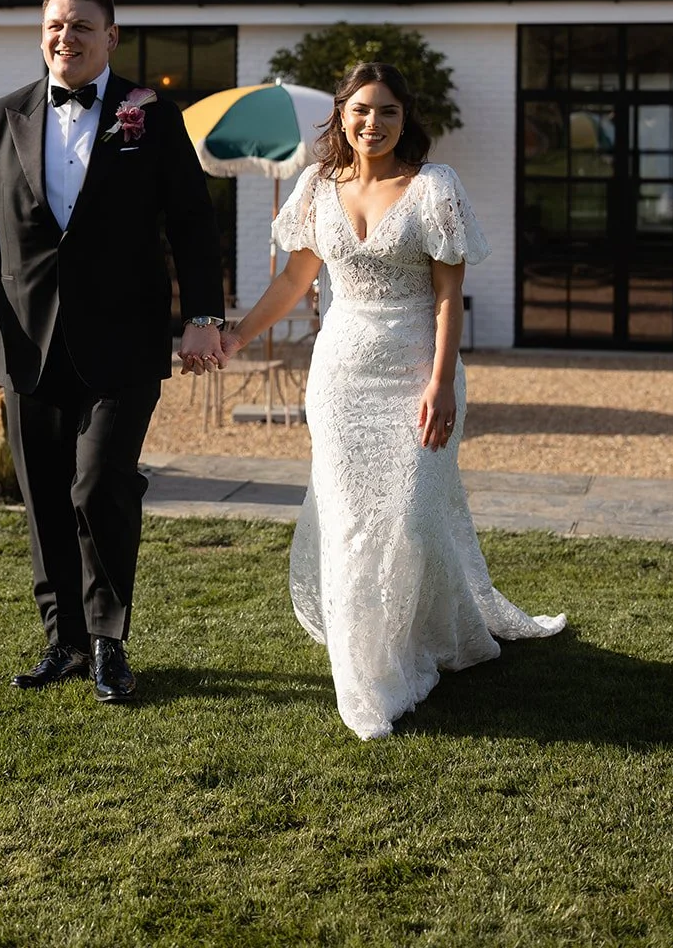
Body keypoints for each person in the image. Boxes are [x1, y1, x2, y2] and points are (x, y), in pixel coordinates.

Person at [214, 62, 565, 740]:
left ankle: (418, 638)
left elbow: (444, 294)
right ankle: (370, 675)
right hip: (340, 378)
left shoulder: (434, 187)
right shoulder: (316, 186)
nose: (373, 123)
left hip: (416, 374)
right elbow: (294, 280)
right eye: (362, 110)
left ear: (406, 120)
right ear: (341, 116)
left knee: (407, 518)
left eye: (389, 112)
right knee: (351, 521)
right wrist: (236, 336)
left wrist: (439, 382)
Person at [0, 0, 225, 703]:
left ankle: (108, 642)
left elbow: (190, 222)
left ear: (110, 37)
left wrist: (203, 317)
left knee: (99, 484)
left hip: (125, 339)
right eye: (56, 24)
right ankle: (64, 643)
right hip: (26, 342)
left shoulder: (151, 113)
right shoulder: (1, 117)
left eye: (82, 25)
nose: (67, 37)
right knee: (46, 496)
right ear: (41, 33)